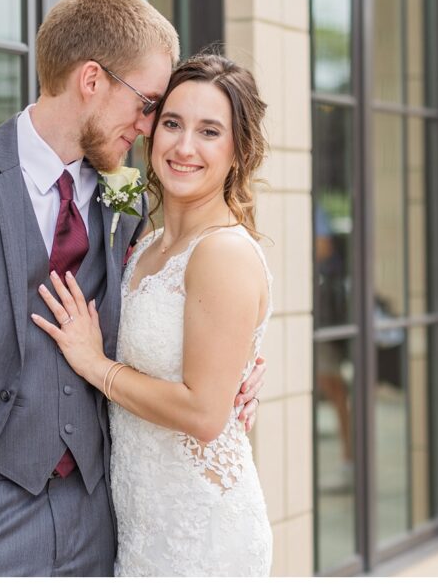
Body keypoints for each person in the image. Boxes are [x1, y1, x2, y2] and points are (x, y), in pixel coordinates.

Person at [0, 0, 265, 576]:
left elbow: (194, 313)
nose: (148, 130)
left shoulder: (129, 208)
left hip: (102, 521)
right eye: (147, 105)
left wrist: (236, 373)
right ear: (92, 79)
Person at [34, 53, 274, 576]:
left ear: (239, 151)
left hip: (201, 532)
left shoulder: (222, 252)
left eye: (210, 131)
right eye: (171, 123)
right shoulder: (144, 236)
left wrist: (96, 366)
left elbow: (207, 415)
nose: (184, 147)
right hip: (141, 522)